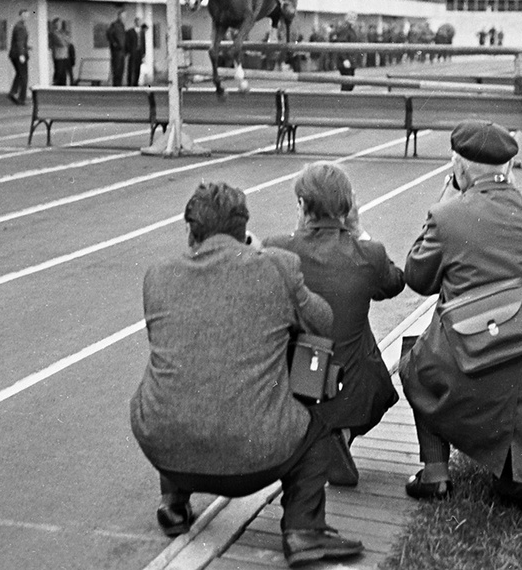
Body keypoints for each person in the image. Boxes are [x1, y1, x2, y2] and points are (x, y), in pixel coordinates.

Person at [131, 182, 365, 567]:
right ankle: (303, 527)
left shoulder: (157, 276)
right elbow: (323, 323)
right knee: (317, 417)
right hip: (257, 458)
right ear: (244, 232)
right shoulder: (275, 267)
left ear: (190, 232)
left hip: (166, 447)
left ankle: (173, 503)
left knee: (180, 379)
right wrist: (259, 256)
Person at [399, 121, 522, 536]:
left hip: (469, 369)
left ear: (459, 166)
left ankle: (435, 473)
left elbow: (417, 278)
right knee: (516, 482)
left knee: (412, 356)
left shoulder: (447, 216)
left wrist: (441, 207)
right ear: (509, 166)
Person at [264, 162, 405, 487]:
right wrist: (359, 231)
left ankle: (317, 436)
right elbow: (396, 282)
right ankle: (339, 433)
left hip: (297, 385)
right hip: (355, 389)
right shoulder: (369, 253)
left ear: (301, 205)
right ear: (348, 207)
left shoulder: (278, 247)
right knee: (358, 336)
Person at [330, 13, 360, 92]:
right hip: (346, 60)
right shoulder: (345, 29)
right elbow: (341, 44)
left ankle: (346, 101)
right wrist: (344, 59)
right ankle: (344, 102)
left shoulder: (351, 29)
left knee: (350, 83)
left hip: (351, 60)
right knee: (347, 83)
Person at [8, 8, 30, 104]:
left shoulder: (20, 26)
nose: (26, 17)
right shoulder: (20, 27)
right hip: (18, 54)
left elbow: (20, 42)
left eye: (27, 15)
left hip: (15, 53)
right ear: (20, 15)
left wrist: (27, 47)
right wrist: (21, 54)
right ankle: (21, 98)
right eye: (24, 15)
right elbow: (19, 41)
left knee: (19, 74)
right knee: (24, 76)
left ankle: (13, 92)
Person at [106, 8, 128, 87]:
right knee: (116, 68)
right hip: (116, 52)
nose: (125, 18)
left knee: (121, 69)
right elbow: (109, 34)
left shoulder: (122, 26)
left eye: (125, 16)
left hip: (122, 52)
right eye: (123, 16)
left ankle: (119, 85)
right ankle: (116, 85)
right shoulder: (114, 25)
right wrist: (114, 44)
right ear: (119, 16)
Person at [49, 18, 71, 86]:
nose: (59, 25)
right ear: (54, 24)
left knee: (64, 75)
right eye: (57, 23)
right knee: (58, 74)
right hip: (58, 56)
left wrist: (65, 39)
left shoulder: (62, 32)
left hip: (64, 55)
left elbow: (69, 42)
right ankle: (54, 89)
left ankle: (63, 90)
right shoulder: (53, 33)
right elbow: (61, 43)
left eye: (60, 23)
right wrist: (65, 39)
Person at [124, 16, 145, 87]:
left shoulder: (142, 32)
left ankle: (136, 83)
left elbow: (143, 42)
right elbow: (127, 42)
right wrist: (129, 50)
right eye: (138, 21)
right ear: (135, 22)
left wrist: (143, 53)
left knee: (138, 68)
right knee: (131, 67)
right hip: (133, 52)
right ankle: (129, 82)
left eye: (140, 22)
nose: (139, 23)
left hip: (139, 52)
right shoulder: (131, 31)